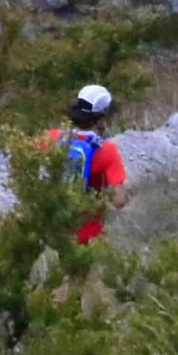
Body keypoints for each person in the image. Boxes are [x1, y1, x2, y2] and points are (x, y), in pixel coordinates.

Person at [46, 83, 130, 245]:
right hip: (88, 233)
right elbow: (119, 201)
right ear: (101, 119)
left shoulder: (51, 137)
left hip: (52, 228)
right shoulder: (107, 150)